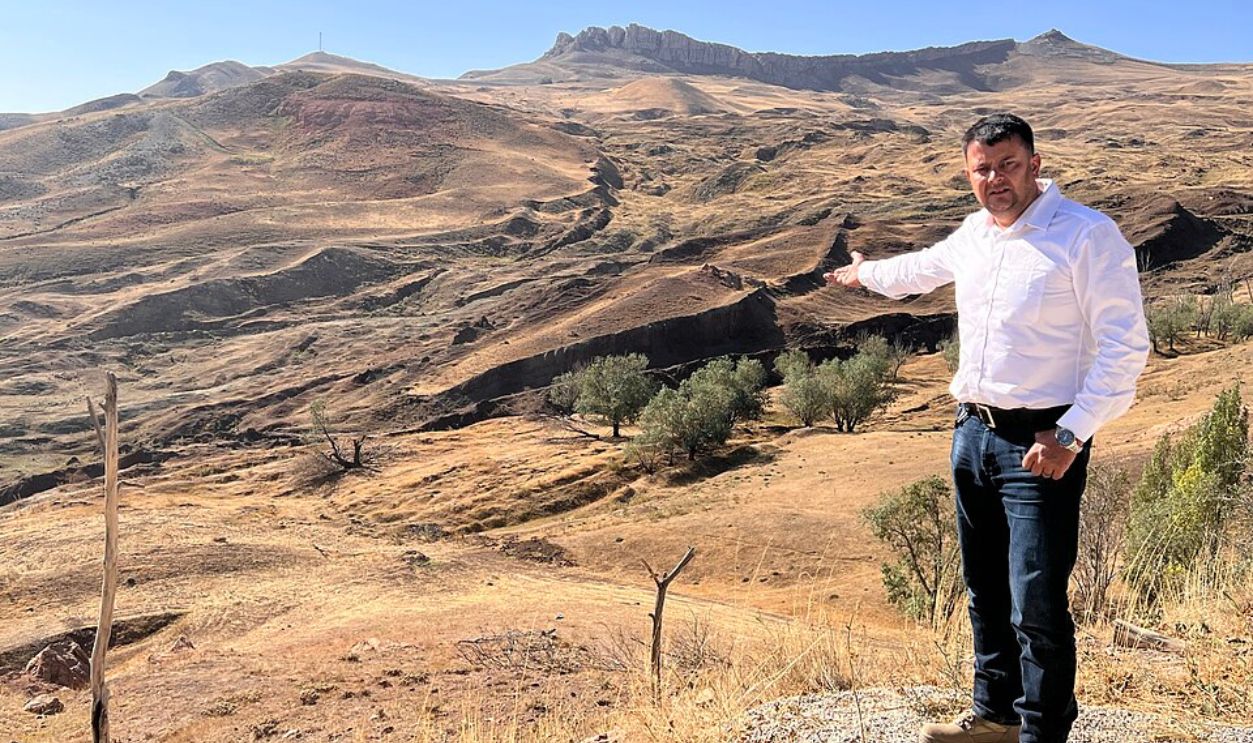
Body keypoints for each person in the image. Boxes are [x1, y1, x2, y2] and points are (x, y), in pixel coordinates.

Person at [825, 113, 1149, 743]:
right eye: (982, 168)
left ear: (1034, 162)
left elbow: (1124, 345)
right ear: (967, 172)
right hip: (972, 433)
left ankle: (1041, 733)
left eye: (1007, 164)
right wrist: (864, 272)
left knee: (1036, 601)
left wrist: (1074, 431)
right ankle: (994, 717)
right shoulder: (976, 233)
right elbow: (918, 270)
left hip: (1043, 441)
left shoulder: (1086, 235)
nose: (995, 179)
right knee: (984, 588)